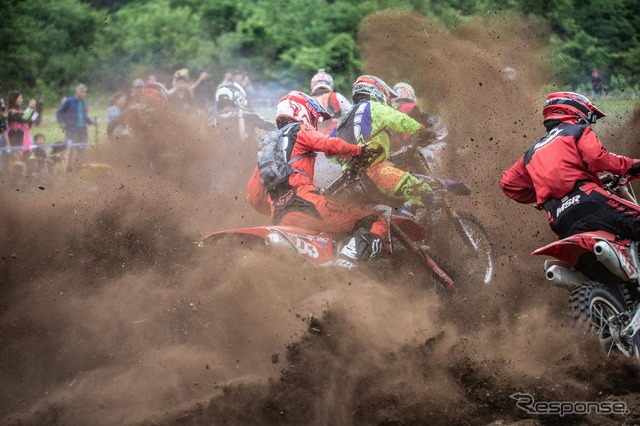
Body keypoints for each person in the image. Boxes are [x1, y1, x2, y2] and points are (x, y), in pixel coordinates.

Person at [247, 90, 388, 269]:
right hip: (310, 205)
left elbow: (253, 196)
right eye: (314, 117)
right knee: (375, 220)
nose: (315, 122)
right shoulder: (299, 129)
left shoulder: (265, 148)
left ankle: (332, 259)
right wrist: (359, 150)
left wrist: (283, 205)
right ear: (301, 111)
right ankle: (348, 264)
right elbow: (329, 144)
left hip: (281, 216)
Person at [500, 91, 640, 240]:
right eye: (589, 117)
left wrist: (549, 191)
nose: (588, 122)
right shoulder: (576, 130)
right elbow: (598, 158)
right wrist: (631, 165)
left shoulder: (530, 154)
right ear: (574, 110)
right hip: (589, 201)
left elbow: (508, 184)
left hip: (558, 219)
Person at [332, 75, 435, 220]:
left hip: (352, 179)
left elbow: (330, 151)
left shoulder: (343, 119)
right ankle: (410, 225)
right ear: (376, 91)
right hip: (376, 171)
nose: (387, 100)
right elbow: (398, 119)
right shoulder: (374, 107)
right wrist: (421, 130)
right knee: (424, 191)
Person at [55, 83, 97, 170]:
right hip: (71, 130)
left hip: (82, 130)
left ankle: (78, 168)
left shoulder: (84, 103)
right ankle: (68, 169)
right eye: (81, 92)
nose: (83, 94)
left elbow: (84, 117)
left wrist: (92, 122)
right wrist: (61, 122)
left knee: (82, 149)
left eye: (84, 92)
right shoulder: (69, 101)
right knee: (71, 150)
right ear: (76, 91)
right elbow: (58, 112)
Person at [310, 69, 352, 135]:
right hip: (336, 137)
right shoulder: (336, 96)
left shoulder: (308, 100)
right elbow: (352, 113)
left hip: (316, 138)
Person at [6, 90, 38, 157]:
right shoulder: (12, 112)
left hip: (25, 139)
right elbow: (23, 119)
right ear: (14, 99)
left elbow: (27, 124)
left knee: (27, 160)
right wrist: (31, 108)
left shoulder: (20, 111)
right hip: (16, 139)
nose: (22, 100)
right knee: (18, 162)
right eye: (20, 98)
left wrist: (32, 112)